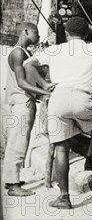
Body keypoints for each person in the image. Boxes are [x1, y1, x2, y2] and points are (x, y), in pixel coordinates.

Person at [24, 17, 92, 209]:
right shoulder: (91, 48)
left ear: (67, 34)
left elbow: (28, 64)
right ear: (86, 34)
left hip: (58, 98)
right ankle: (90, 155)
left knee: (61, 150)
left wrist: (45, 84)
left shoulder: (55, 49)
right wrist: (90, 27)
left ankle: (64, 197)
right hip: (82, 98)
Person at [3, 23, 54, 197]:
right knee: (18, 143)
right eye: (36, 33)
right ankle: (13, 185)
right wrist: (45, 91)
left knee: (18, 141)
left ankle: (11, 179)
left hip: (23, 101)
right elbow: (22, 83)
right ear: (25, 32)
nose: (38, 36)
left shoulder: (25, 53)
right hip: (21, 102)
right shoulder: (18, 52)